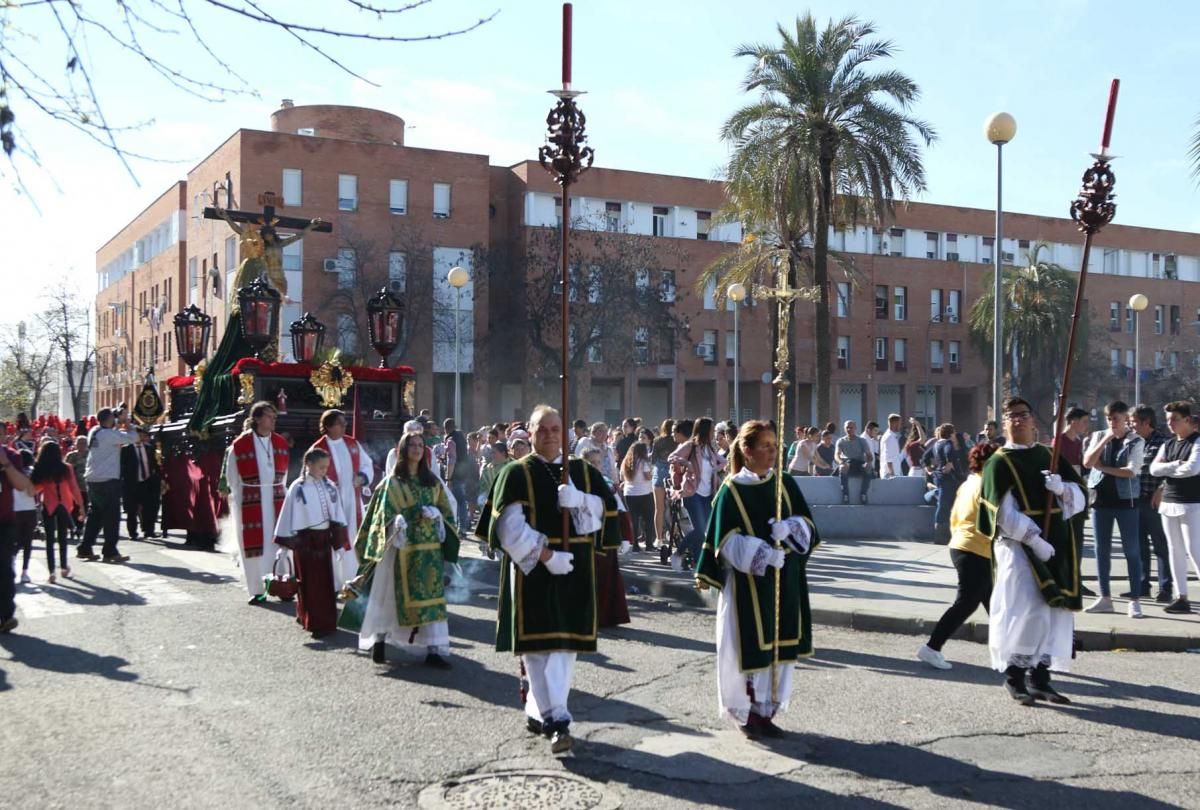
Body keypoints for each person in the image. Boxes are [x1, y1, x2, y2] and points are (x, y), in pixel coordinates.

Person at [475, 404, 620, 754]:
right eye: (543, 429)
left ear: (565, 432)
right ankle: (557, 719)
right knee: (539, 648)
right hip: (534, 570)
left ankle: (541, 710)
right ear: (531, 432)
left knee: (566, 646)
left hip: (576, 567)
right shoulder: (515, 472)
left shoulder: (582, 471)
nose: (551, 435)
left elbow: (607, 510)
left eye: (557, 429)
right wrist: (546, 556)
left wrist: (581, 499)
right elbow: (509, 527)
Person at [695, 420, 820, 737]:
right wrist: (762, 553)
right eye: (765, 446)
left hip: (787, 580)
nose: (772, 452)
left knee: (780, 647)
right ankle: (748, 712)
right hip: (749, 586)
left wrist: (790, 528)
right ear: (747, 451)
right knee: (750, 646)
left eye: (775, 446)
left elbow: (809, 528)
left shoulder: (786, 484)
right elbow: (724, 545)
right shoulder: (731, 491)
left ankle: (767, 710)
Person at [978, 397, 1086, 705]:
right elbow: (1001, 513)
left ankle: (1041, 678)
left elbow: (1081, 496)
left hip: (1058, 542)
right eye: (1011, 416)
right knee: (1028, 611)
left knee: (1053, 612)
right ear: (1004, 422)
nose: (1018, 420)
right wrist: (1035, 541)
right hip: (1021, 547)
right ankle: (1015, 676)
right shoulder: (999, 462)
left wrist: (1062, 489)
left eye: (1023, 414)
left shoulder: (1049, 455)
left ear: (1033, 420)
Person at [353, 430, 461, 666]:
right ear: (403, 449)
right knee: (389, 593)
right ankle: (379, 641)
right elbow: (379, 516)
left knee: (432, 600)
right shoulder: (392, 482)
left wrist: (437, 516)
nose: (417, 448)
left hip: (429, 550)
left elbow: (447, 511)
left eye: (420, 445)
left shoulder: (433, 481)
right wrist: (394, 522)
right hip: (400, 550)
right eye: (412, 444)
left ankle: (434, 649)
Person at [918, 441, 999, 670]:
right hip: (975, 548)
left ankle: (1012, 654)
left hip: (964, 545)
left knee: (993, 603)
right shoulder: (986, 484)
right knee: (967, 603)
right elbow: (993, 521)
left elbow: (955, 514)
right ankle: (932, 648)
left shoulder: (970, 482)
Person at [273, 448, 349, 637]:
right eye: (321, 467)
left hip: (324, 541)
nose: (324, 471)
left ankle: (326, 620)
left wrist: (338, 545)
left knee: (325, 583)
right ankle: (313, 621)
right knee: (309, 583)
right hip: (305, 542)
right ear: (308, 465)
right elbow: (287, 516)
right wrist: (284, 547)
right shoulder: (298, 488)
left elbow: (337, 515)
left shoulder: (330, 486)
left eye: (326, 467)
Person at [1081, 401, 1145, 618]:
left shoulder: (1135, 440)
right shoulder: (1099, 436)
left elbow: (1131, 471)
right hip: (1101, 501)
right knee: (1102, 550)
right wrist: (1107, 438)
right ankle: (1105, 597)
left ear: (1125, 418)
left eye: (1116, 418)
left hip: (1126, 501)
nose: (1112, 422)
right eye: (1109, 418)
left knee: (1131, 550)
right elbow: (1088, 462)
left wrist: (1105, 468)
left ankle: (1135, 599)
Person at [225, 401, 291, 605]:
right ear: (257, 419)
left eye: (274, 416)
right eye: (269, 416)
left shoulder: (280, 442)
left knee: (278, 544)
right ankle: (257, 590)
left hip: (275, 498)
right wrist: (240, 499)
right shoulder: (240, 445)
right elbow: (232, 477)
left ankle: (282, 585)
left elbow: (285, 474)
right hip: (250, 500)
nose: (273, 420)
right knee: (253, 547)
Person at [309, 409, 375, 588]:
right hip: (329, 504)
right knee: (332, 539)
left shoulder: (352, 444)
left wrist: (362, 477)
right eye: (340, 423)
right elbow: (309, 476)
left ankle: (352, 579)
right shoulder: (318, 449)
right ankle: (333, 582)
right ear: (329, 426)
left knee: (352, 538)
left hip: (352, 502)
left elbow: (366, 464)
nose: (345, 425)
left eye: (345, 422)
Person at [1149, 400, 1200, 615]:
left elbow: (1193, 468)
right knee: (1174, 551)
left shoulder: (1197, 441)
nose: (1170, 424)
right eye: (1168, 420)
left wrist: (1168, 468)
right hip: (1169, 502)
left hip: (1192, 503)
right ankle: (1181, 597)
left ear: (1187, 419)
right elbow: (1153, 469)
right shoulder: (1168, 444)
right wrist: (1175, 465)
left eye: (1175, 419)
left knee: (1195, 550)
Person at [78, 407, 139, 563]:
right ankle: (110, 551)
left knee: (95, 516)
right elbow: (134, 437)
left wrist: (118, 423)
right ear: (109, 420)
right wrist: (128, 423)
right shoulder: (108, 435)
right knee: (112, 517)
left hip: (92, 479)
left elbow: (114, 435)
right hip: (107, 480)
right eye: (114, 418)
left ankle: (85, 548)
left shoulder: (95, 430)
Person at [668, 417, 728, 571]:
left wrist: (716, 469)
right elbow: (672, 457)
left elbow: (724, 461)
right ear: (704, 431)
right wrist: (687, 464)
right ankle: (679, 554)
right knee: (700, 530)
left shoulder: (711, 448)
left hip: (708, 494)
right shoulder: (691, 446)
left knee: (704, 531)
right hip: (692, 492)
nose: (713, 433)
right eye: (711, 430)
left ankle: (696, 561)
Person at [1131, 404, 1173, 602]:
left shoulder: (1164, 442)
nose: (1132, 426)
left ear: (1146, 422)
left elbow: (1171, 471)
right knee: (1139, 546)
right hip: (1136, 500)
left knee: (1161, 546)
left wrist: (1162, 488)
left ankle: (1165, 588)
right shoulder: (1134, 442)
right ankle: (1142, 585)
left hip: (1155, 501)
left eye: (1134, 423)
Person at [32, 441, 84, 584]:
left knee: (49, 540)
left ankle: (51, 572)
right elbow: (74, 488)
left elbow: (35, 489)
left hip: (48, 504)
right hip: (64, 505)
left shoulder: (41, 468)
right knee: (63, 538)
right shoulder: (66, 468)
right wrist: (81, 507)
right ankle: (64, 567)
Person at [0, 442, 35, 633]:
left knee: (5, 569)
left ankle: (6, 616)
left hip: (4, 522)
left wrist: (5, 464)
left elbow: (22, 485)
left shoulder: (11, 455)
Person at [923, 424, 967, 542]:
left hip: (939, 477)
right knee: (943, 505)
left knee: (945, 502)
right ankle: (940, 535)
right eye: (953, 432)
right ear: (951, 433)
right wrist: (949, 463)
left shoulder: (936, 444)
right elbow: (949, 454)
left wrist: (929, 469)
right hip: (947, 478)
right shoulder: (948, 443)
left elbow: (925, 457)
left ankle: (945, 532)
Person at [120, 426, 161, 541]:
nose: (143, 436)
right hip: (131, 484)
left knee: (149, 507)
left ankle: (149, 531)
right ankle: (133, 532)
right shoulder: (126, 449)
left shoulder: (149, 448)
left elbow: (154, 464)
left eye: (144, 434)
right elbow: (122, 467)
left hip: (146, 482)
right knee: (131, 510)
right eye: (140, 434)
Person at [651, 419, 681, 547]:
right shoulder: (677, 442)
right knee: (675, 508)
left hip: (659, 473)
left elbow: (653, 459)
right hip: (673, 473)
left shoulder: (657, 441)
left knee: (659, 508)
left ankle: (659, 538)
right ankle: (676, 534)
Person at [621, 440, 655, 552]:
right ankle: (649, 544)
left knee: (634, 520)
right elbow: (648, 477)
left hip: (629, 493)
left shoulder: (626, 461)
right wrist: (652, 472)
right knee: (648, 519)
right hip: (644, 493)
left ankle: (635, 544)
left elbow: (622, 477)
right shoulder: (643, 462)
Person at [834, 420, 874, 505]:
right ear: (844, 429)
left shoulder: (862, 440)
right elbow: (836, 455)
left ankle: (863, 494)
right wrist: (841, 462)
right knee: (842, 467)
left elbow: (869, 454)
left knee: (869, 467)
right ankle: (845, 495)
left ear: (855, 428)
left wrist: (868, 462)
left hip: (859, 463)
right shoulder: (841, 441)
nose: (849, 429)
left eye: (851, 427)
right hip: (847, 464)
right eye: (847, 427)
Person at [12, 450, 37, 584]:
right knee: (27, 542)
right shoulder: (32, 472)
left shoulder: (11, 472)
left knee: (15, 541)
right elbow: (33, 492)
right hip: (29, 508)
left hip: (14, 509)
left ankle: (11, 562)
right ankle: (24, 572)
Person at [64, 436, 88, 539]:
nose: (82, 445)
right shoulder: (71, 455)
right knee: (73, 508)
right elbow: (65, 469)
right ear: (76, 444)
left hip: (86, 487)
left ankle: (80, 527)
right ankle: (72, 527)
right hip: (73, 487)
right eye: (80, 443)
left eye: (84, 443)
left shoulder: (90, 455)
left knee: (84, 508)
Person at [879, 414, 904, 479]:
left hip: (893, 473)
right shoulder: (890, 437)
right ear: (894, 423)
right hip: (890, 475)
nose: (900, 426)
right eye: (899, 423)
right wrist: (892, 473)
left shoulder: (891, 436)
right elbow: (888, 457)